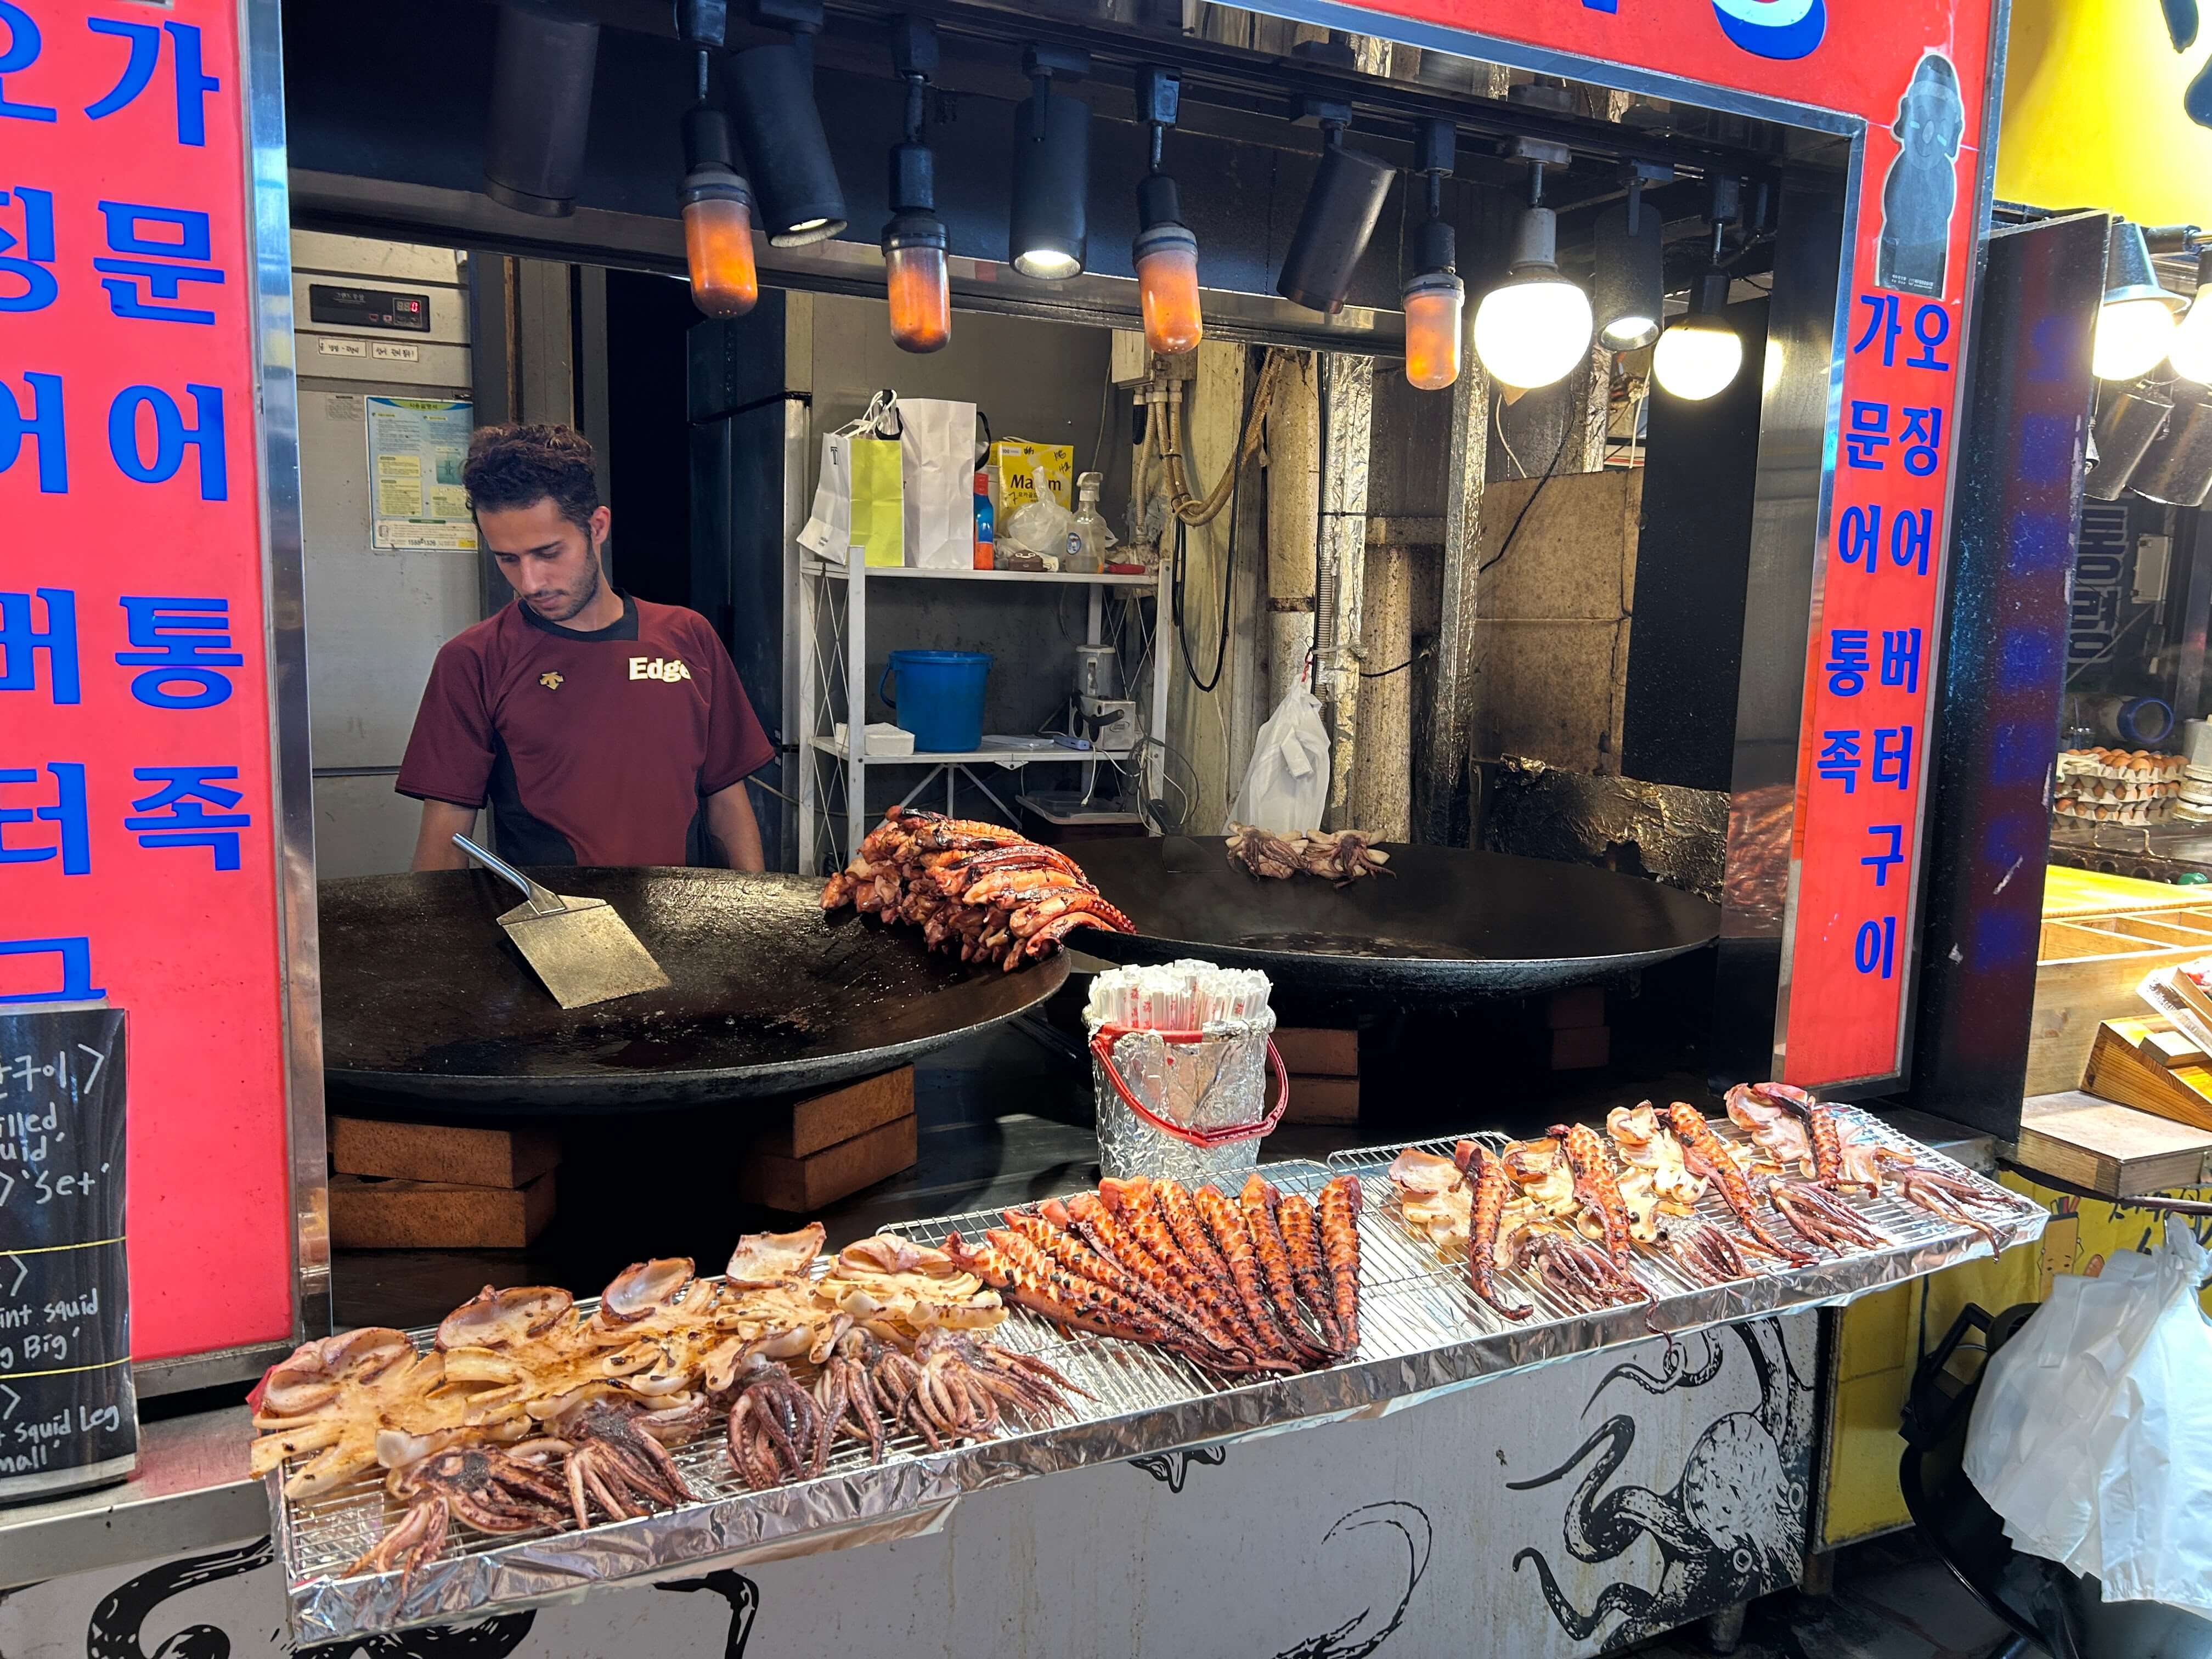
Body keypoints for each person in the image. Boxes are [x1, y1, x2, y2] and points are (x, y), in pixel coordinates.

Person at [397, 423, 770, 872]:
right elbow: (444, 846)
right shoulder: (473, 661)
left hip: (681, 925)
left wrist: (752, 914)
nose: (530, 582)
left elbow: (727, 805)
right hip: (551, 929)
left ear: (597, 527)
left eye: (549, 553)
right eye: (507, 559)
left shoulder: (688, 637)